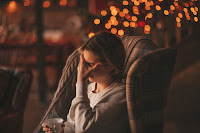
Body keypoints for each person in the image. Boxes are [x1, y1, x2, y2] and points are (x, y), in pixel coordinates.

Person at [42, 32, 129, 133]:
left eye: (90, 64)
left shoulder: (121, 95)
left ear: (109, 66)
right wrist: (61, 130)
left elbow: (84, 128)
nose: (83, 69)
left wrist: (81, 82)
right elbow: (73, 123)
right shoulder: (89, 88)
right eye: (83, 63)